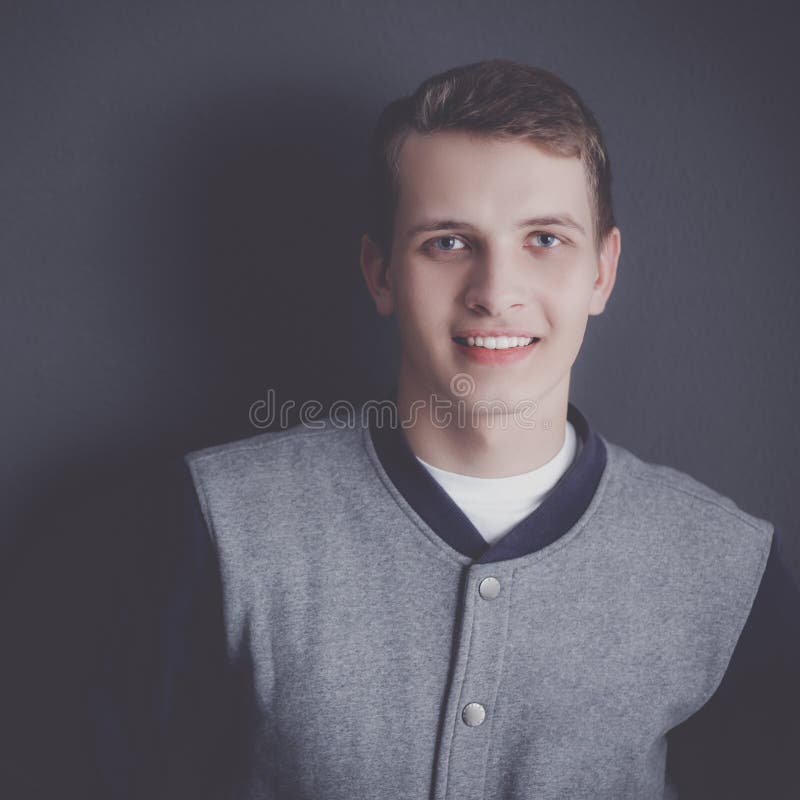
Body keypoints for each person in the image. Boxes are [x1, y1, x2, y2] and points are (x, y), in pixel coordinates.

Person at [92, 58, 800, 800]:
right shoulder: (219, 522)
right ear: (380, 274)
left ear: (602, 271)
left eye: (546, 240)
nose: (496, 293)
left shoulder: (727, 569)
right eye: (449, 242)